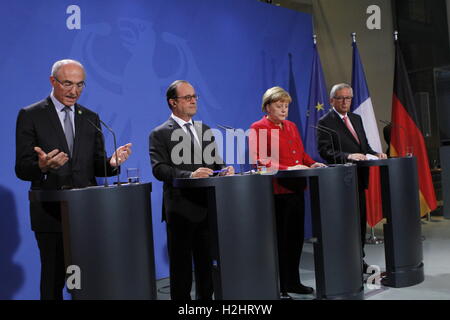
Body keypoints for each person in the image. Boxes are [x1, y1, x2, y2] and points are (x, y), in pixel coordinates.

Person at [15, 59, 132, 300]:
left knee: (88, 279)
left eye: (80, 85)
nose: (74, 91)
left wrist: (111, 163)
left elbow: (96, 165)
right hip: (50, 213)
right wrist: (42, 165)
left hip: (87, 213)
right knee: (54, 279)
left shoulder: (89, 117)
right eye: (68, 83)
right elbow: (22, 168)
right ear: (52, 81)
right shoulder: (31, 115)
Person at [149, 80, 234, 300]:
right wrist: (190, 175)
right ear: (173, 102)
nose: (194, 100)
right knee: (182, 268)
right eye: (188, 97)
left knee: (207, 264)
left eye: (195, 96)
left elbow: (215, 163)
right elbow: (159, 169)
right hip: (180, 210)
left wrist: (224, 170)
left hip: (207, 207)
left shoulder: (204, 129)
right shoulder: (159, 133)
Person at [249, 86, 326, 299]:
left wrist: (313, 164)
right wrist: (287, 169)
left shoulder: (291, 126)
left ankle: (293, 281)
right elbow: (260, 162)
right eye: (278, 105)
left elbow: (301, 155)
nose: (283, 110)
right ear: (267, 106)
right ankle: (280, 286)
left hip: (297, 188)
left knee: (295, 238)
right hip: (276, 191)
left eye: (286, 106)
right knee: (280, 240)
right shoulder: (258, 127)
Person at [317, 83, 387, 273]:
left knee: (359, 223)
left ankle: (359, 260)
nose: (345, 101)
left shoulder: (356, 118)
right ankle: (346, 263)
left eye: (348, 98)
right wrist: (348, 156)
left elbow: (363, 148)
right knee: (346, 224)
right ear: (332, 100)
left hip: (360, 179)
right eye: (341, 98)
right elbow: (325, 151)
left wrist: (375, 154)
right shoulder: (325, 121)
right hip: (342, 182)